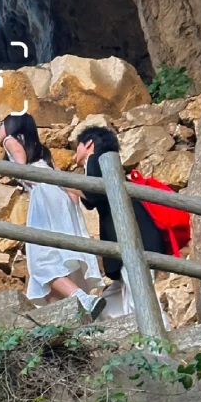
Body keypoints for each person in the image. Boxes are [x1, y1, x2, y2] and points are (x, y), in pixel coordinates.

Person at [0, 113, 105, 319]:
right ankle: (76, 312)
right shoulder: (42, 151)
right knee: (59, 256)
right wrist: (72, 210)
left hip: (43, 195)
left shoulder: (9, 140)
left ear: (12, 126)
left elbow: (18, 155)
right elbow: (62, 181)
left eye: (1, 123)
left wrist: (22, 172)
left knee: (41, 261)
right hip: (60, 197)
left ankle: (83, 299)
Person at [75, 126, 163, 314]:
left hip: (134, 241)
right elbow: (92, 199)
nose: (76, 152)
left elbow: (93, 194)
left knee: (140, 297)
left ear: (89, 144)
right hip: (141, 238)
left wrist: (65, 184)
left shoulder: (96, 160)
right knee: (114, 302)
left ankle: (159, 332)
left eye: (78, 145)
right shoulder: (105, 166)